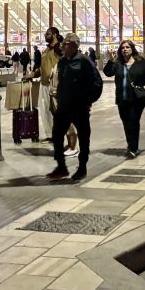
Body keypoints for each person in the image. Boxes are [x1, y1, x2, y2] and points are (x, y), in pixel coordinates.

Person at [47, 33, 102, 182]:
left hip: (79, 107)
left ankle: (82, 167)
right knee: (57, 136)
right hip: (64, 107)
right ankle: (61, 166)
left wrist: (88, 101)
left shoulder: (84, 61)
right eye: (63, 43)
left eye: (66, 43)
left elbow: (97, 83)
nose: (63, 46)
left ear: (74, 45)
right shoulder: (63, 62)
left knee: (84, 137)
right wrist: (59, 95)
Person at [103, 39, 145, 158]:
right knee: (126, 121)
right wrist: (110, 60)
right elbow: (108, 73)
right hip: (122, 97)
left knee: (133, 120)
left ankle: (133, 148)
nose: (125, 49)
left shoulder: (140, 62)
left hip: (137, 98)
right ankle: (131, 146)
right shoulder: (118, 63)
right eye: (122, 48)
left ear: (132, 49)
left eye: (127, 47)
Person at [37, 28, 62, 145]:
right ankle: (50, 135)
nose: (45, 36)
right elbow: (42, 67)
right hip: (44, 84)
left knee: (56, 111)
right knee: (45, 110)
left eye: (48, 34)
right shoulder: (46, 50)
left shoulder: (59, 48)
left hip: (55, 85)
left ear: (55, 34)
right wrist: (33, 74)